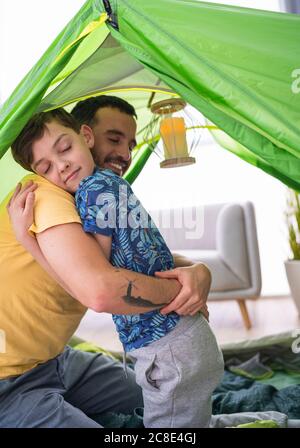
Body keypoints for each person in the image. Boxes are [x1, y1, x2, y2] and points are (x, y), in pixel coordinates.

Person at [0, 98, 212, 428]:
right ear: (86, 134)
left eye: (130, 144)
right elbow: (102, 290)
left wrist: (197, 271)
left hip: (55, 360)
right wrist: (180, 293)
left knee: (165, 402)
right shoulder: (46, 195)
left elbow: (132, 259)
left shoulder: (99, 191)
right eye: (113, 139)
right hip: (8, 383)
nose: (125, 155)